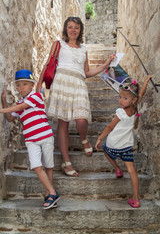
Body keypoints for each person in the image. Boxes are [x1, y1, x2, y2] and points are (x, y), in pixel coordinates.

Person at [36, 16, 115, 177]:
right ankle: (66, 162)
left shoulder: (84, 49)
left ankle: (84, 138)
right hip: (61, 83)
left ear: (80, 30)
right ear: (66, 29)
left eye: (76, 27)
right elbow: (47, 64)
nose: (73, 30)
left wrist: (106, 64)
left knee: (81, 119)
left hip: (78, 83)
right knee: (63, 123)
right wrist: (39, 86)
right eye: (70, 27)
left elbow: (87, 72)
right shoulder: (58, 44)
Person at [0, 69, 60, 210]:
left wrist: (1, 110)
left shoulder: (36, 96)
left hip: (45, 136)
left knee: (48, 166)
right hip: (31, 139)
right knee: (36, 166)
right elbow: (10, 118)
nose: (21, 88)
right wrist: (4, 101)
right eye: (19, 85)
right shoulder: (21, 101)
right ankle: (53, 192)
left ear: (32, 85)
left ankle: (49, 195)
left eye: (25, 84)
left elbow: (22, 107)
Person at [95, 75, 152, 208]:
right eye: (120, 97)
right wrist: (146, 82)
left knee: (104, 148)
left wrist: (99, 138)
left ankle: (117, 169)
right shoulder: (135, 107)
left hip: (113, 145)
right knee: (132, 171)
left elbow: (110, 127)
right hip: (126, 147)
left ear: (133, 99)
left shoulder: (120, 112)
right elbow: (141, 94)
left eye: (125, 98)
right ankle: (136, 199)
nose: (121, 100)